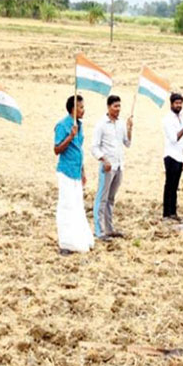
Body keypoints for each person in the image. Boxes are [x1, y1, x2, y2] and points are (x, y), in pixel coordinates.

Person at [54, 95, 94, 254]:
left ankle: (79, 238)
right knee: (66, 206)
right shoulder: (63, 125)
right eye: (81, 107)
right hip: (66, 171)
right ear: (73, 109)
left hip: (76, 171)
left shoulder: (80, 125)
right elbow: (57, 149)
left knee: (77, 205)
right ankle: (66, 242)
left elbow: (79, 149)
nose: (83, 110)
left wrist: (83, 171)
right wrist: (70, 136)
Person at [91, 95, 132, 240]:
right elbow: (94, 147)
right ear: (108, 107)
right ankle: (99, 230)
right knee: (102, 198)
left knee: (111, 198)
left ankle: (109, 228)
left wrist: (129, 128)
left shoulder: (120, 124)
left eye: (119, 106)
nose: (118, 109)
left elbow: (127, 143)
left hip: (119, 165)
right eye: (115, 106)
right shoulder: (101, 124)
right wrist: (103, 159)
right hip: (107, 166)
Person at [162, 93, 183, 220]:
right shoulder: (168, 119)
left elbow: (181, 142)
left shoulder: (180, 117)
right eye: (176, 103)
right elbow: (174, 138)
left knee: (175, 186)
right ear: (171, 104)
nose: (179, 105)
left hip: (178, 155)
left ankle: (173, 212)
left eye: (180, 103)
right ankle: (166, 213)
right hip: (170, 156)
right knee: (169, 185)